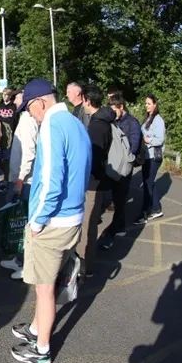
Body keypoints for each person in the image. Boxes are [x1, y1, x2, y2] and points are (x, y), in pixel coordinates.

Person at [10, 78, 91, 363]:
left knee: (44, 289)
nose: (30, 115)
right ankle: (35, 329)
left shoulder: (51, 127)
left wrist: (37, 221)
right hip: (72, 218)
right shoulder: (76, 124)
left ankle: (41, 349)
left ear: (40, 103)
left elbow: (50, 181)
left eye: (29, 109)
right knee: (49, 282)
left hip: (53, 220)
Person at [1, 89, 39, 280]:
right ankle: (18, 258)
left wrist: (20, 180)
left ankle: (26, 264)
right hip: (17, 178)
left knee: (24, 222)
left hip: (25, 181)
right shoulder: (23, 118)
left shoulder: (27, 120)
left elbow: (30, 153)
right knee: (16, 221)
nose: (13, 100)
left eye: (16, 97)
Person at [77, 86, 113, 277]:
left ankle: (85, 268)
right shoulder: (102, 121)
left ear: (88, 101)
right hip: (99, 181)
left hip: (94, 182)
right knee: (89, 224)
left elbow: (94, 157)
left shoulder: (97, 126)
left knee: (88, 226)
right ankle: (85, 264)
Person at [102, 93, 141, 249]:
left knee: (120, 198)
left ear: (121, 106)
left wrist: (123, 157)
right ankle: (120, 226)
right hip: (113, 166)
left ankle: (115, 230)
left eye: (114, 109)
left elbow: (134, 146)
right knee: (116, 197)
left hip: (124, 166)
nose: (112, 113)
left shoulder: (132, 123)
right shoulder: (114, 122)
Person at [135, 94, 166, 224]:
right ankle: (156, 208)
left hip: (154, 156)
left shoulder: (158, 120)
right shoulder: (148, 118)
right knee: (149, 182)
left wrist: (148, 139)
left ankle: (145, 212)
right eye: (145, 103)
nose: (146, 106)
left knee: (148, 183)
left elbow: (160, 140)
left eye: (148, 103)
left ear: (155, 104)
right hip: (146, 156)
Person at [0, 88, 17, 187]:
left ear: (10, 96)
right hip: (1, 134)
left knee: (6, 159)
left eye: (7, 95)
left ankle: (6, 179)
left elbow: (15, 122)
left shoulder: (14, 107)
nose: (4, 96)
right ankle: (3, 175)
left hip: (9, 136)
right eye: (3, 94)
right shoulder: (0, 106)